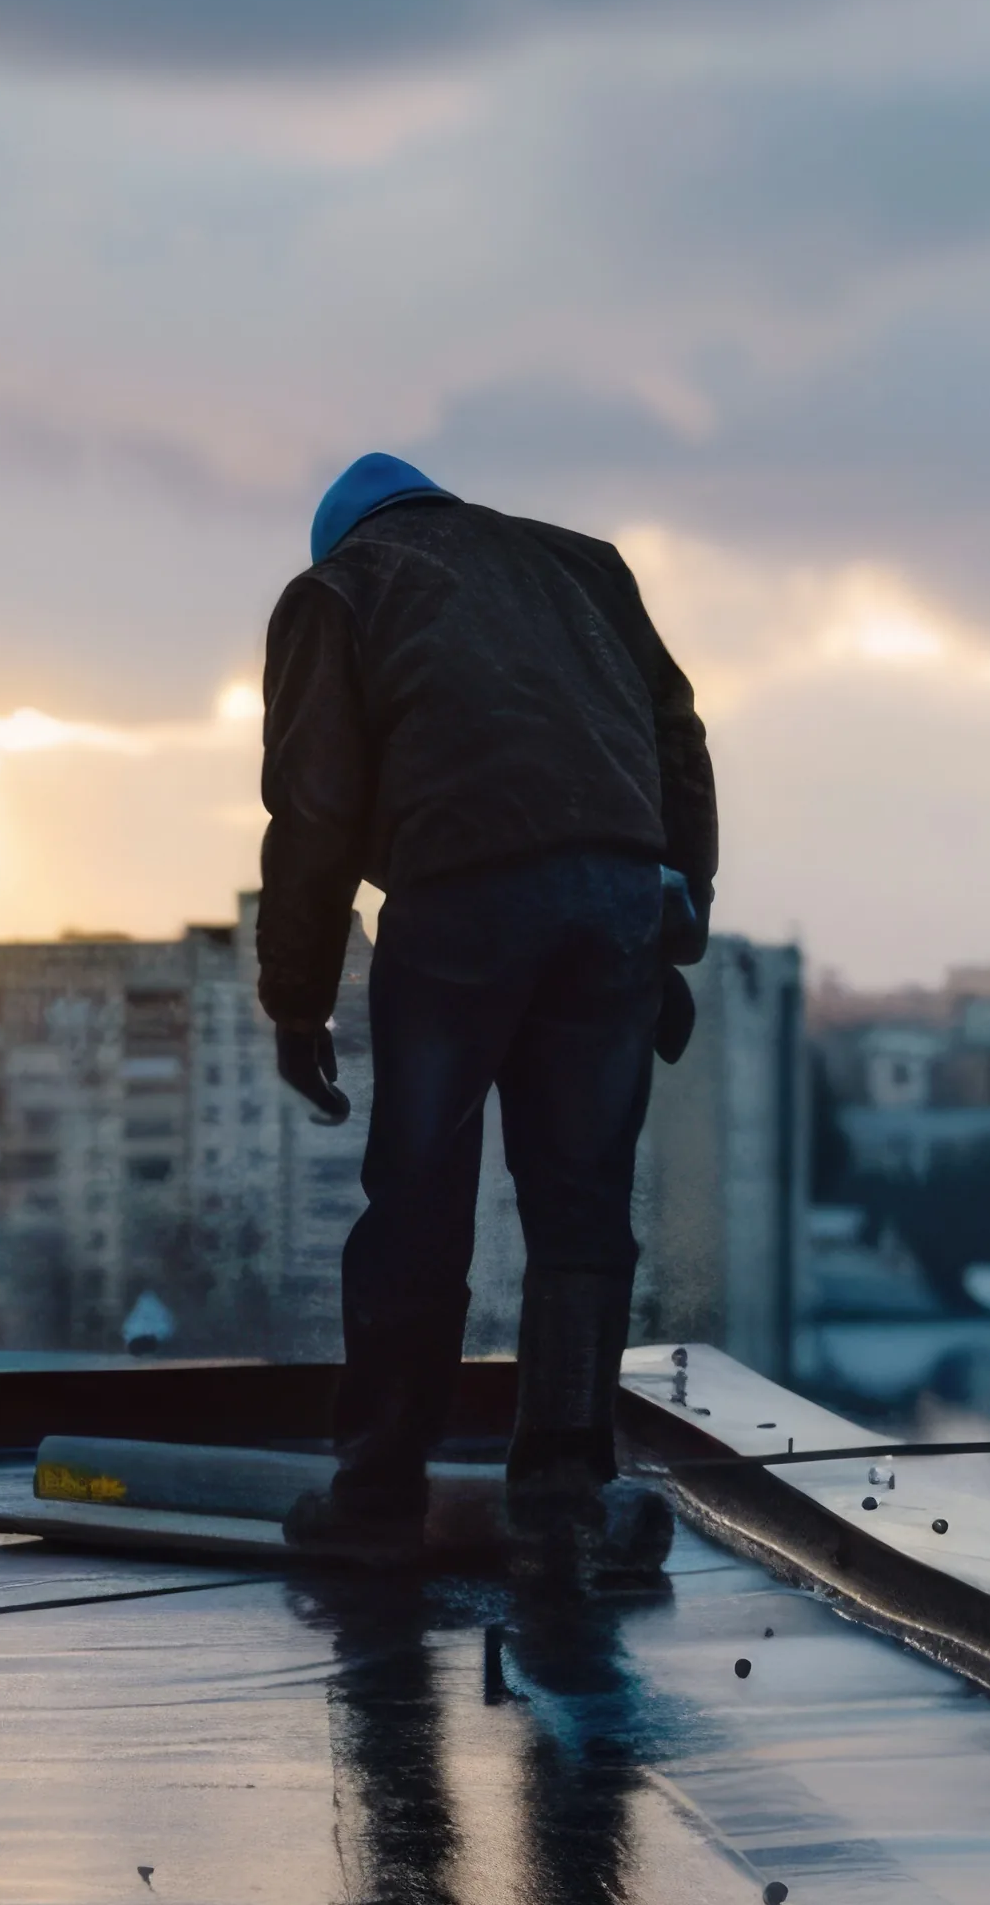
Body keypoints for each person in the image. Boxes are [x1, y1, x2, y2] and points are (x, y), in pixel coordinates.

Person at [253, 449, 715, 1559]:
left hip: (461, 895)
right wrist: (675, 923)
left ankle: (376, 1493)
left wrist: (298, 999)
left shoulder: (339, 588)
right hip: (615, 896)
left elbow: (313, 810)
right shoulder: (584, 567)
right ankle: (562, 1496)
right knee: (582, 1211)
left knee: (416, 1197)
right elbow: (678, 738)